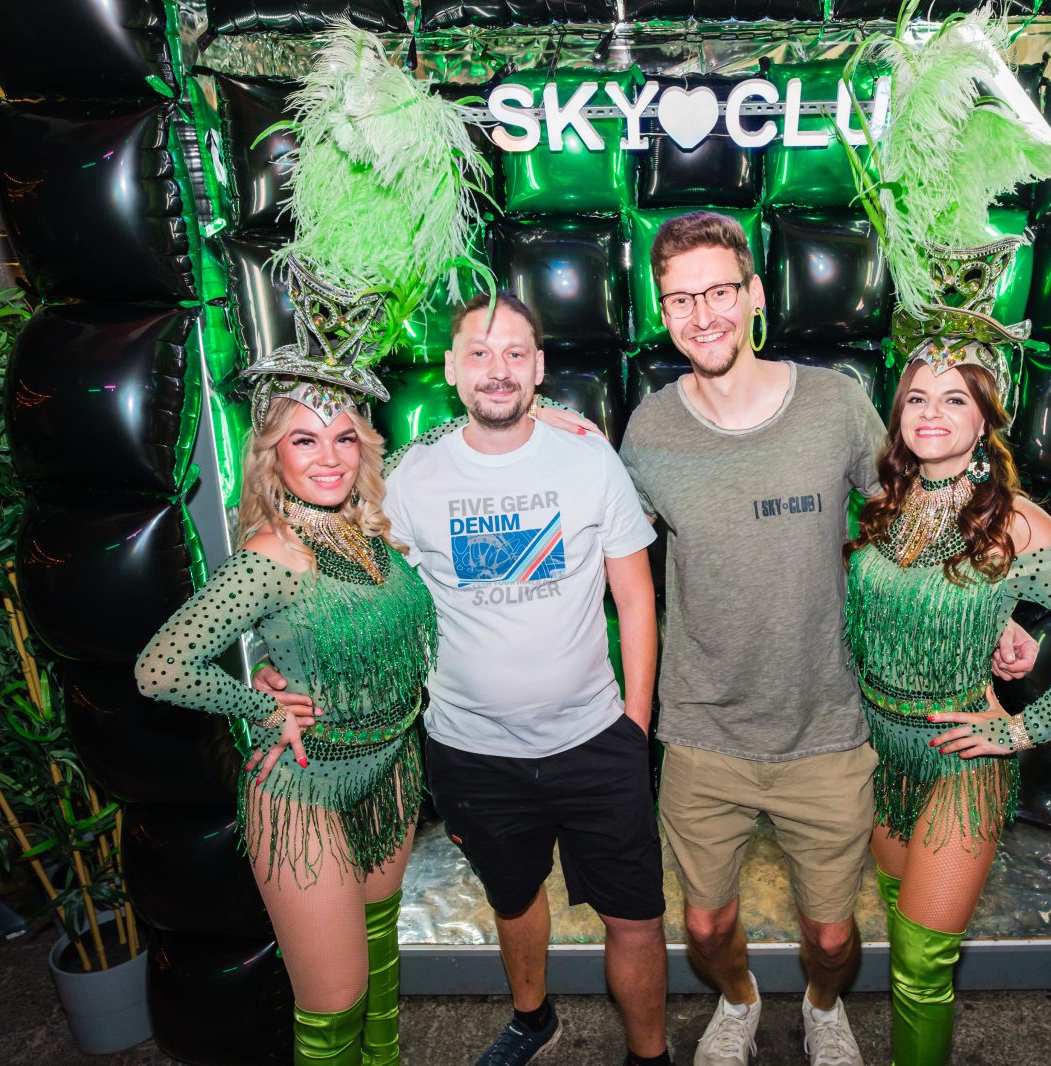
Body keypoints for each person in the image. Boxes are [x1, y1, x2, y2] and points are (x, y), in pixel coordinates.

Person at [618, 212, 1037, 1066]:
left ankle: (820, 1005)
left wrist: (995, 610)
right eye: (680, 300)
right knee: (705, 926)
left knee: (835, 936)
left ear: (755, 295)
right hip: (702, 728)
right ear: (663, 313)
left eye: (719, 292)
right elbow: (609, 547)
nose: (702, 315)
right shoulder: (649, 430)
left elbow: (921, 510)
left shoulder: (834, 403)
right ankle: (738, 1001)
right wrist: (545, 424)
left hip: (829, 723)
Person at [259, 292, 670, 1066]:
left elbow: (636, 596)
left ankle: (651, 1055)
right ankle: (533, 1019)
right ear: (452, 369)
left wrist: (636, 725)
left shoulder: (589, 460)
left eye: (515, 353)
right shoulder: (413, 476)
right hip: (472, 751)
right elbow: (356, 588)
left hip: (595, 741)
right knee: (512, 900)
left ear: (539, 368)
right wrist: (285, 667)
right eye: (479, 354)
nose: (497, 369)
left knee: (638, 918)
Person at [135, 272, 436, 1066]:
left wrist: (545, 410)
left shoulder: (369, 531)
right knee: (333, 1008)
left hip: (392, 766)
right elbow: (160, 667)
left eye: (344, 438)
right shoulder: (274, 555)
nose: (329, 458)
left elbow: (459, 431)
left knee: (381, 970)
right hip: (305, 788)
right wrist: (259, 705)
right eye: (305, 439)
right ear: (274, 453)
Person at [844, 277, 1051, 1064]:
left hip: (958, 759)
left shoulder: (1018, 522)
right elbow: (874, 608)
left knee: (922, 965)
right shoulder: (882, 504)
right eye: (917, 398)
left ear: (985, 420)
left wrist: (1023, 728)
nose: (930, 414)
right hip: (876, 753)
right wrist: (993, 618)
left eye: (955, 400)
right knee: (902, 924)